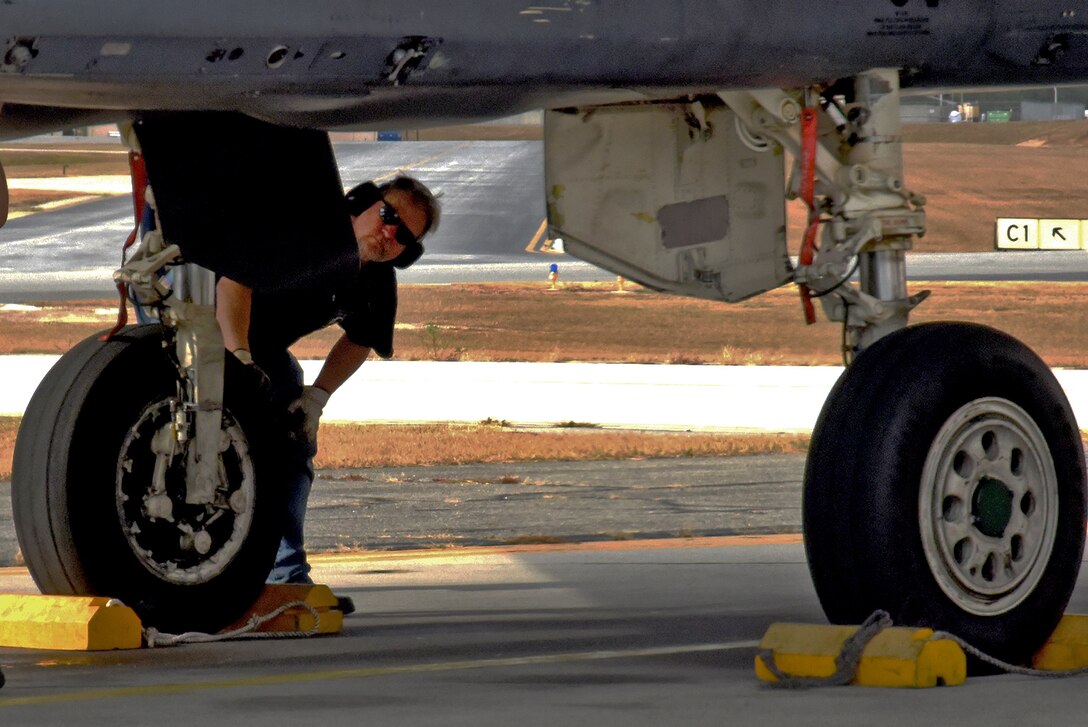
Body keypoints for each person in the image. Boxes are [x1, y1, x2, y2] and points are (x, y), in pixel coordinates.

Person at [216, 175, 440, 585]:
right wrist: (238, 358)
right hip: (200, 321)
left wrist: (317, 398)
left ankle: (284, 575)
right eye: (388, 215)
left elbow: (361, 339)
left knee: (292, 437)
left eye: (404, 234)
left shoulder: (375, 283)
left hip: (257, 349)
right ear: (361, 204)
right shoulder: (302, 232)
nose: (390, 232)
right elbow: (234, 281)